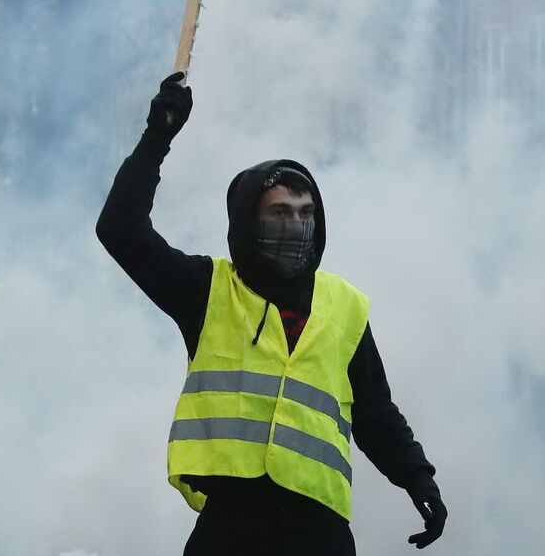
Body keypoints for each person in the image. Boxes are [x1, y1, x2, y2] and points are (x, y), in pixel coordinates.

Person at [96, 72, 446, 555]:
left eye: (306, 214)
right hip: (231, 525)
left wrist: (417, 479)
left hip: (318, 532)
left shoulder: (344, 306)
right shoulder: (208, 289)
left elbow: (374, 412)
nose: (297, 226)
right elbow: (120, 229)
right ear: (246, 221)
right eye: (280, 213)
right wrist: (158, 138)